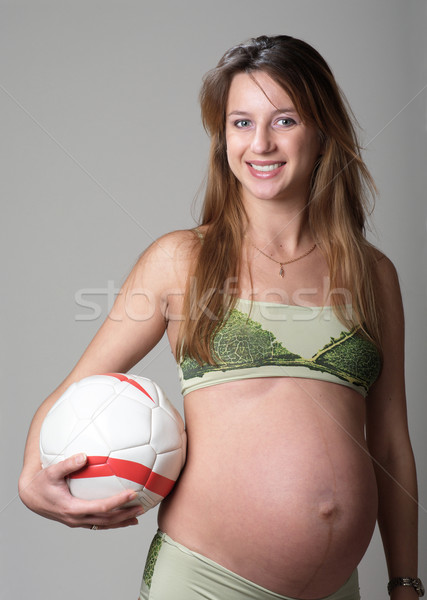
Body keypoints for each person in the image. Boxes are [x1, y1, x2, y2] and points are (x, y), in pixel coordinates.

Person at [19, 35, 422, 600]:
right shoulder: (180, 260)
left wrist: (405, 580)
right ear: (222, 137)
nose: (260, 143)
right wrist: (30, 481)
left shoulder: (373, 273)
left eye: (285, 120)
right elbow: (72, 391)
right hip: (205, 581)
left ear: (322, 130)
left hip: (338, 589)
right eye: (241, 122)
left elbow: (389, 445)